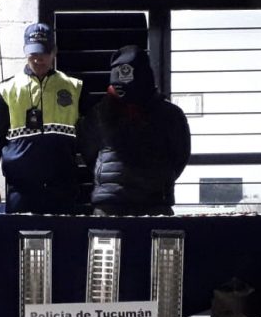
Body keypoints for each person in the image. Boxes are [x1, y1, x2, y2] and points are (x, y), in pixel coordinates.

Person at [0, 23, 89, 214]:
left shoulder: (74, 87)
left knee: (63, 233)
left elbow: (91, 134)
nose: (38, 59)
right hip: (21, 187)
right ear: (25, 52)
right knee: (21, 232)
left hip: (62, 185)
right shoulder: (9, 89)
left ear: (54, 52)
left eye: (43, 53)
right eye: (33, 53)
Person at [79, 45, 191, 216]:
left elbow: (89, 154)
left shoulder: (98, 112)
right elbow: (180, 156)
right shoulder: (171, 113)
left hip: (115, 202)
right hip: (150, 202)